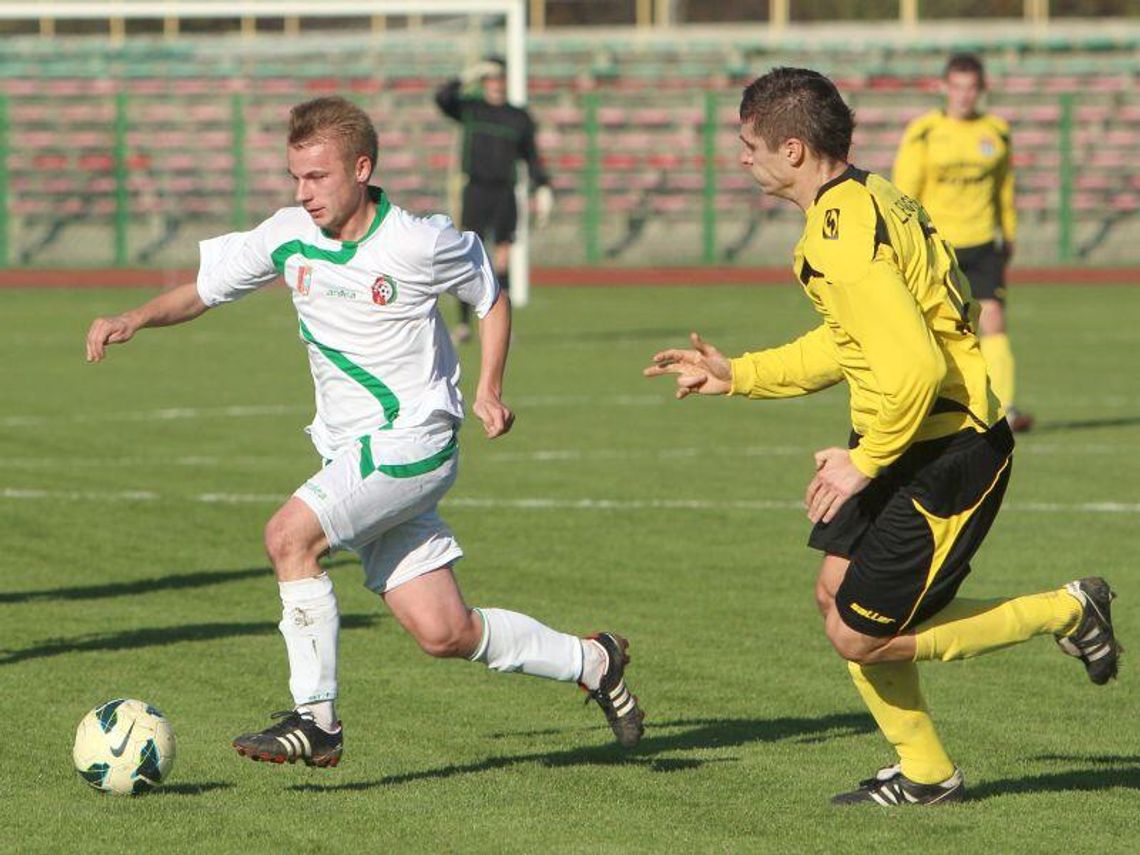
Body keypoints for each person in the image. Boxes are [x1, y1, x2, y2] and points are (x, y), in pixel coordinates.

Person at [86, 95, 643, 767]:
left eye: (317, 176)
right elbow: (205, 289)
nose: (304, 192)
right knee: (444, 630)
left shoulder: (417, 241)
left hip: (414, 440)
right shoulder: (289, 233)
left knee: (288, 537)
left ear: (361, 168)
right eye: (296, 176)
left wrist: (490, 388)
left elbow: (489, 296)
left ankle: (316, 718)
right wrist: (134, 318)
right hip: (354, 454)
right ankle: (593, 661)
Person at [644, 68, 1119, 806]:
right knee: (836, 596)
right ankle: (925, 772)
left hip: (948, 448)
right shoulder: (867, 196)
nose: (741, 157)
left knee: (859, 635)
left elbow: (916, 367)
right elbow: (853, 343)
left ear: (793, 150)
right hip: (906, 434)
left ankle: (1069, 610)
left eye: (749, 144)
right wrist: (740, 373)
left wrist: (864, 462)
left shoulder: (842, 234)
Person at [893, 53, 1033, 432]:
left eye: (971, 88)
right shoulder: (924, 131)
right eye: (957, 87)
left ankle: (1004, 409)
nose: (964, 95)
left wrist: (1009, 231)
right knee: (938, 327)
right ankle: (932, 405)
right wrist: (907, 239)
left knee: (994, 320)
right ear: (943, 88)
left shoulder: (997, 131)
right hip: (938, 246)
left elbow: (1004, 188)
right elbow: (905, 190)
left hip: (984, 243)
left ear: (982, 89)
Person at [435, 56, 553, 343]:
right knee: (467, 257)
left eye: (500, 77)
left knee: (502, 260)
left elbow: (531, 156)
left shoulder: (518, 117)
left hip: (504, 193)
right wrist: (468, 75)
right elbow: (442, 98)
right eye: (490, 77)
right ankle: (464, 324)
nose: (495, 83)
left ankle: (502, 326)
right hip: (476, 190)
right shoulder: (471, 109)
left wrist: (542, 187)